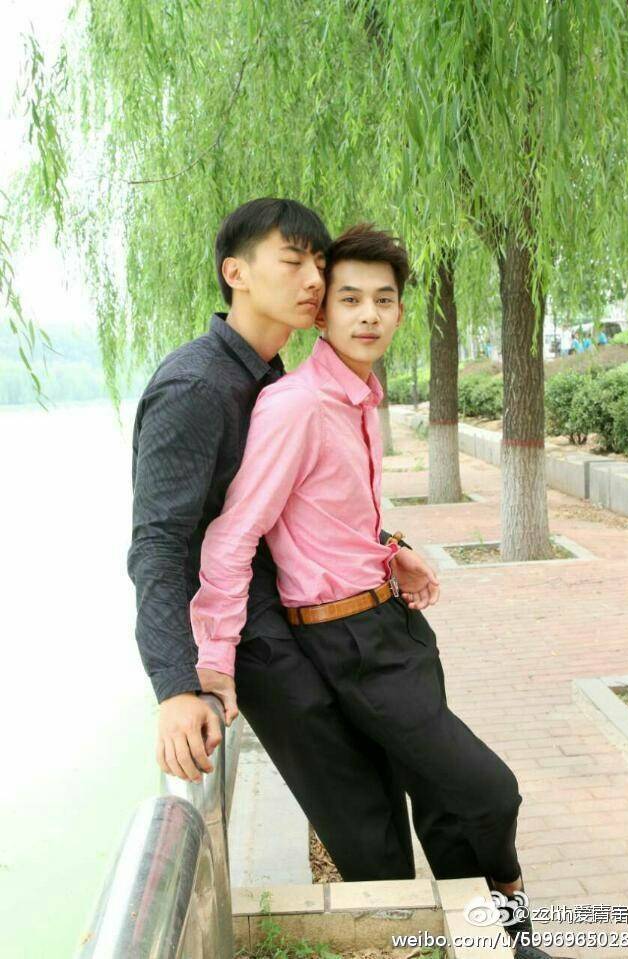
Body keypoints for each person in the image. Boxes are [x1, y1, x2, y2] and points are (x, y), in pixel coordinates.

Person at [190, 224, 565, 959]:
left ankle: (498, 943)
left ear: (399, 311)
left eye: (384, 300)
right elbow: (234, 534)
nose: (369, 315)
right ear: (320, 311)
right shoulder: (297, 405)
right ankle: (514, 931)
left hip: (393, 629)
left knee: (446, 808)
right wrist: (211, 660)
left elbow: (329, 517)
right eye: (351, 299)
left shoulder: (360, 397)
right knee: (489, 791)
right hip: (347, 645)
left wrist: (393, 551)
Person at [128, 197, 444, 882]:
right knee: (355, 804)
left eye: (319, 264)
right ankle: (396, 918)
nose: (314, 280)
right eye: (294, 261)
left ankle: (403, 916)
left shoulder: (271, 376)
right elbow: (157, 545)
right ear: (236, 272)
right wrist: (175, 686)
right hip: (255, 641)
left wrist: (390, 544)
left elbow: (302, 505)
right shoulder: (194, 385)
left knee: (379, 777)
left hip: (309, 617)